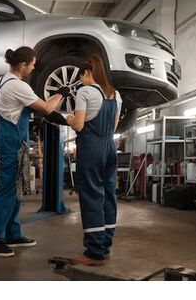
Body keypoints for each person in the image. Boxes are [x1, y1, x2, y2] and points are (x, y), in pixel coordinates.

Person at [0, 46, 70, 257]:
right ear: (23, 65)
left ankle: (13, 234)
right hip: (13, 141)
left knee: (18, 189)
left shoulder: (0, 82)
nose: (34, 69)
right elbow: (46, 108)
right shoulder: (17, 86)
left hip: (16, 138)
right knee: (7, 189)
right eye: (32, 65)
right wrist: (61, 93)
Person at [66, 54, 123, 266]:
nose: (80, 82)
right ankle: (105, 245)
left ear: (88, 73)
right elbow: (115, 126)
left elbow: (79, 125)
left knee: (91, 196)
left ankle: (94, 251)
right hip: (109, 147)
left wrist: (70, 118)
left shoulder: (85, 92)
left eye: (81, 76)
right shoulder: (115, 95)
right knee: (108, 195)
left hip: (91, 147)